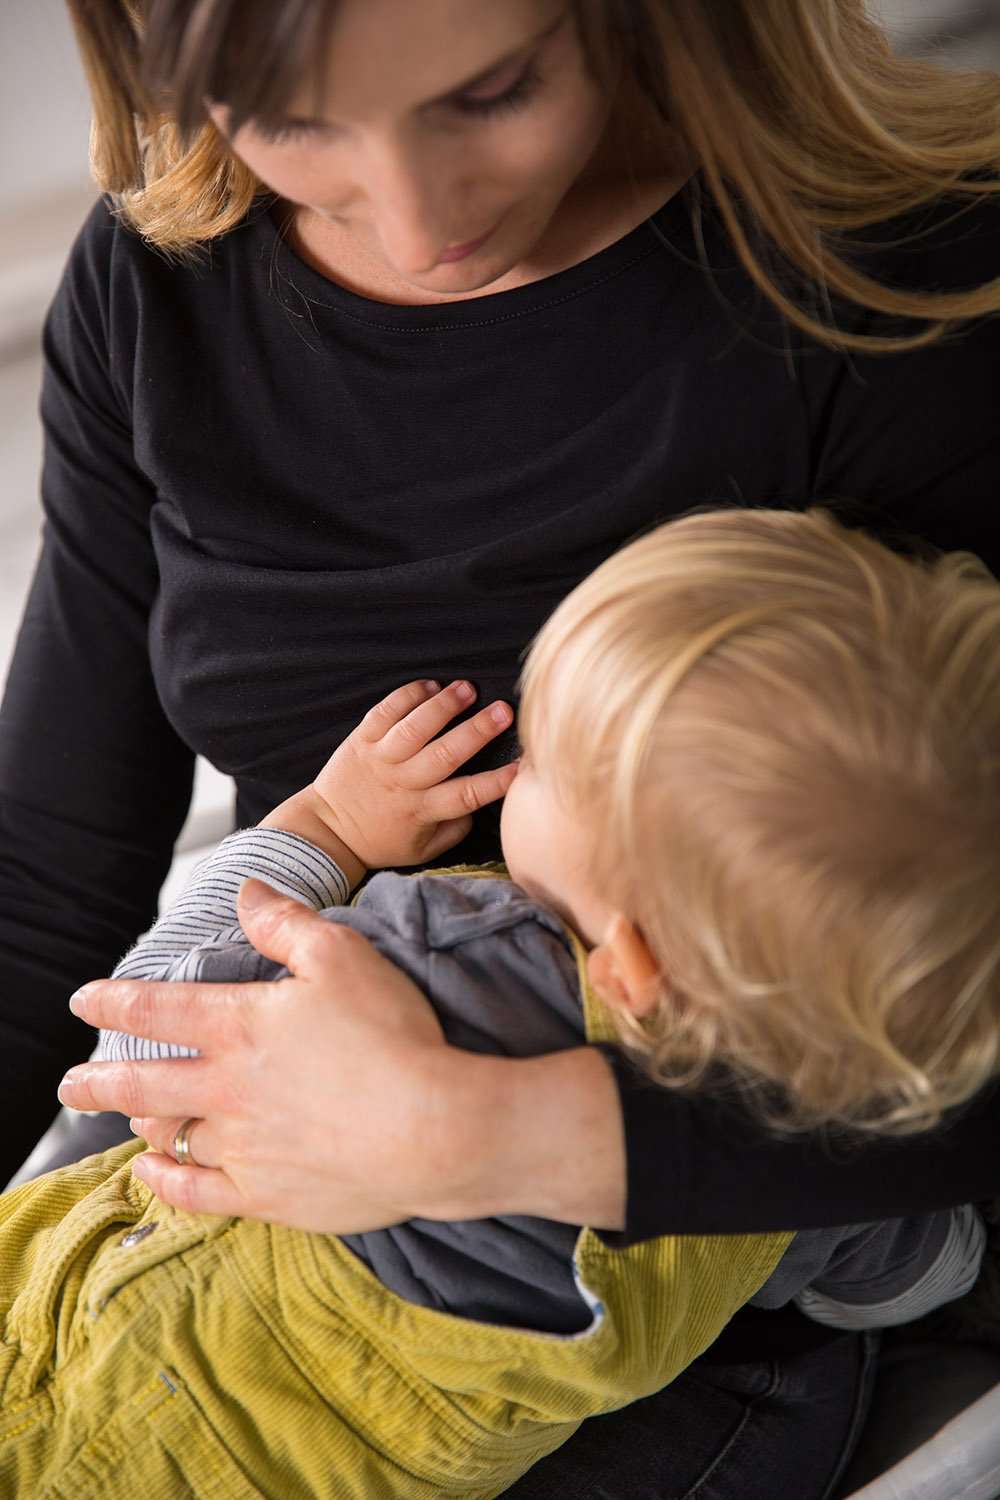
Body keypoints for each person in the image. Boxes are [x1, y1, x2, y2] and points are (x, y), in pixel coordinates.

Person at [2, 1, 1000, 1482]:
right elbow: (48, 883)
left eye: (493, 94)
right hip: (213, 1235)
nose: (414, 229)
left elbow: (950, 1014)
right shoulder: (157, 286)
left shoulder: (903, 281)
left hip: (650, 1302)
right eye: (295, 124)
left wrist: (496, 1134)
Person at [4, 507, 993, 1499]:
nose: (518, 765)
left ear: (635, 961)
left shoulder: (449, 962)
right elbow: (914, 1272)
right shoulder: (810, 1156)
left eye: (550, 764)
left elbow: (141, 1043)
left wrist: (326, 830)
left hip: (104, 1392)